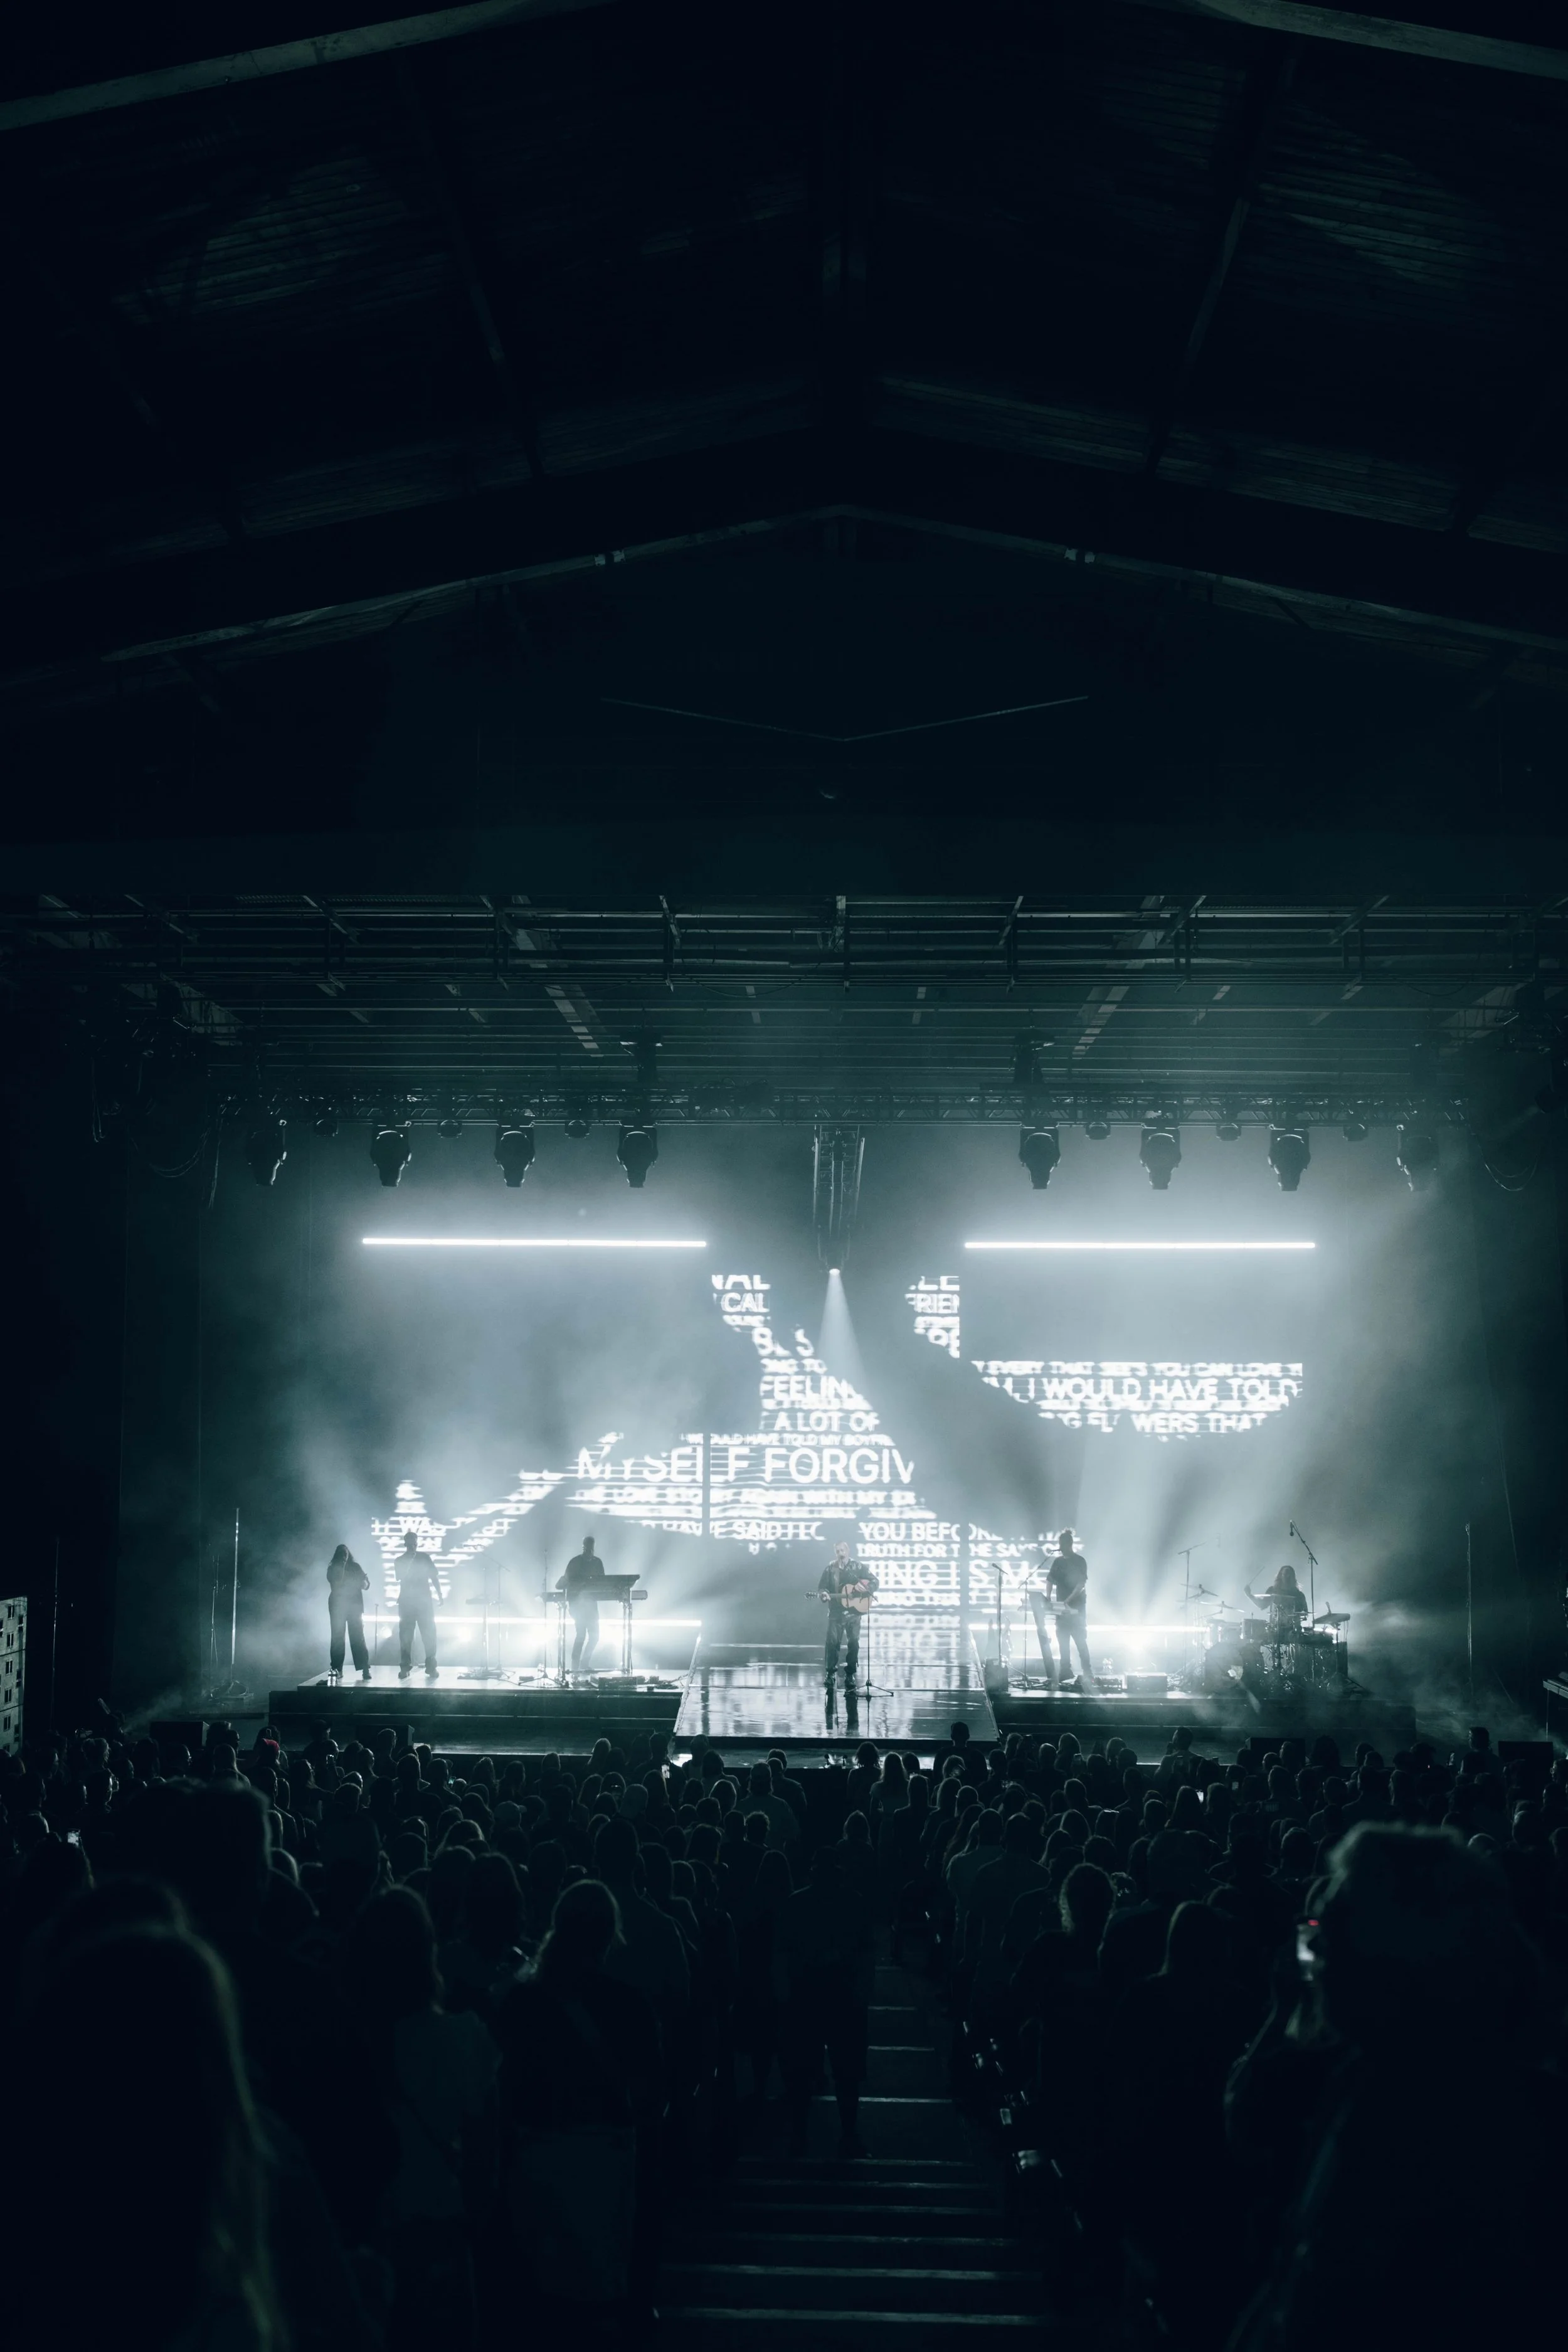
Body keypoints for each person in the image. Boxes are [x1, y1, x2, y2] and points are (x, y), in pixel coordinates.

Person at [818, 1540, 877, 1693]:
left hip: (854, 1613)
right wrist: (823, 1594)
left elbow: (875, 1581)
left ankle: (850, 1675)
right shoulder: (831, 1569)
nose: (841, 1554)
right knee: (832, 1644)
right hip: (836, 1613)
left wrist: (865, 1588)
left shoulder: (857, 1567)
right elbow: (822, 1587)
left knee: (854, 1644)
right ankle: (830, 1674)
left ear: (848, 1551)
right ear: (835, 1553)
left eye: (843, 1551)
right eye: (838, 1551)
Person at [557, 1534, 606, 1675]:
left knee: (595, 1636)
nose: (590, 1551)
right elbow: (566, 1582)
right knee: (581, 1635)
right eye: (587, 1548)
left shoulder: (598, 1562)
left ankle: (584, 1664)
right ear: (583, 1547)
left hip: (591, 1605)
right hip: (578, 1605)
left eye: (592, 1548)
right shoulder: (575, 1562)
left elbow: (602, 1582)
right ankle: (575, 1667)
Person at [1051, 1528, 1094, 1688]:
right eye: (1059, 1544)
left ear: (1069, 1544)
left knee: (1080, 1640)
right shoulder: (1057, 1562)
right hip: (1061, 1609)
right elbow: (1050, 1580)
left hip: (1077, 1608)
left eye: (1062, 1544)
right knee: (1062, 1641)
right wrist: (1048, 1599)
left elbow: (1081, 1584)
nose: (1060, 1547)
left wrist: (1068, 1600)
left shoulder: (1080, 1561)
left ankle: (1088, 1673)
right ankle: (1065, 1672)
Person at [397, 1531, 442, 1682]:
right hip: (407, 1603)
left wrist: (440, 1594)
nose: (413, 1545)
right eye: (410, 1543)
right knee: (406, 1636)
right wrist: (409, 1562)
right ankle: (405, 1667)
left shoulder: (425, 1557)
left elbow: (433, 1577)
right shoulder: (400, 1560)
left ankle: (431, 1666)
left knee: (429, 1635)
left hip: (424, 1603)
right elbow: (400, 1577)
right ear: (405, 1544)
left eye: (415, 1542)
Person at [327, 1542, 373, 1683]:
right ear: (337, 1556)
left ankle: (365, 1668)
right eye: (341, 1554)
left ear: (349, 1555)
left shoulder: (356, 1567)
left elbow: (366, 1585)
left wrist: (365, 1581)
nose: (344, 1556)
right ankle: (336, 1669)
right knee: (337, 1639)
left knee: (358, 1637)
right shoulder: (333, 1568)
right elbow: (336, 1583)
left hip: (354, 1607)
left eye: (346, 1554)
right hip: (337, 1607)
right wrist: (341, 1566)